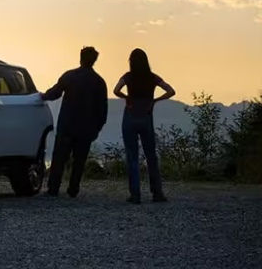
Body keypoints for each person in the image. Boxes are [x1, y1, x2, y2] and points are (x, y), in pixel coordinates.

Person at [40, 46, 108, 198]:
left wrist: (43, 96)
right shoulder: (99, 82)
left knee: (59, 158)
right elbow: (102, 109)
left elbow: (55, 93)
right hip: (86, 128)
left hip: (67, 125)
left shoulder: (70, 76)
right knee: (80, 161)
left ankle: (53, 189)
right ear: (95, 60)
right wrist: (97, 128)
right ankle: (73, 189)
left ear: (80, 57)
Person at [113, 48, 175, 204]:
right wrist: (154, 101)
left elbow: (116, 90)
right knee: (151, 156)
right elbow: (170, 91)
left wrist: (126, 97)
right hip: (146, 117)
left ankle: (135, 195)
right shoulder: (152, 77)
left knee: (132, 156)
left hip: (130, 115)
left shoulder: (128, 77)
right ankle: (157, 193)